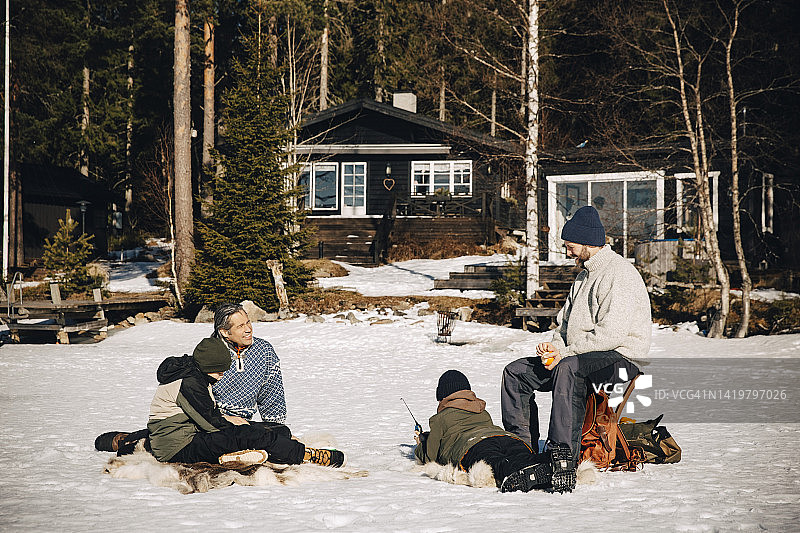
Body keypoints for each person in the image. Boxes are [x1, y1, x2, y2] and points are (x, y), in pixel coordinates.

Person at [501, 205, 652, 466]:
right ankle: (522, 452)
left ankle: (562, 459)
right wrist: (553, 349)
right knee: (516, 373)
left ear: (587, 243)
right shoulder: (583, 276)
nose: (567, 251)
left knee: (568, 369)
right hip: (580, 355)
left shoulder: (620, 274)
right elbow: (564, 325)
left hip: (621, 359)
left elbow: (610, 335)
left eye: (570, 245)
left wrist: (565, 354)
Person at [95, 303, 287, 455]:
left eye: (248, 322)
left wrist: (276, 425)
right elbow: (195, 400)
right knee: (182, 441)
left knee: (279, 434)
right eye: (240, 326)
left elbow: (272, 391)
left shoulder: (264, 351)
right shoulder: (210, 354)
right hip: (205, 421)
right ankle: (130, 441)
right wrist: (223, 419)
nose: (248, 329)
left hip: (241, 422)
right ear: (224, 332)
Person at [146, 336, 345, 467]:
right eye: (219, 371)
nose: (222, 376)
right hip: (178, 447)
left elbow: (205, 415)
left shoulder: (195, 374)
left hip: (192, 434)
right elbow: (212, 424)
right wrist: (237, 425)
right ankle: (306, 455)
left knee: (276, 430)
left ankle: (239, 455)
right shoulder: (189, 383)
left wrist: (235, 421)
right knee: (249, 434)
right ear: (207, 366)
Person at [415, 370, 576, 493]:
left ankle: (520, 473)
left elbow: (430, 456)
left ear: (442, 396)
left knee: (497, 463)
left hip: (472, 446)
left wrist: (421, 444)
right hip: (506, 437)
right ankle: (551, 461)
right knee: (521, 456)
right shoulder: (481, 410)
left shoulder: (439, 419)